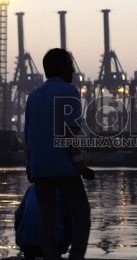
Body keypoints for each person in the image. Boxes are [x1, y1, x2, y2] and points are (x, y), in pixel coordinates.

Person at [24, 48, 94, 260]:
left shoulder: (33, 96)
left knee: (47, 219)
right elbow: (70, 133)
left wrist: (29, 166)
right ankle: (76, 258)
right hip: (63, 166)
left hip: (39, 167)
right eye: (70, 64)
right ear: (62, 67)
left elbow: (27, 135)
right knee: (81, 214)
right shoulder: (69, 92)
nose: (73, 70)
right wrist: (80, 166)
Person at [15, 184, 71, 260]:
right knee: (74, 219)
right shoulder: (63, 190)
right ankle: (57, 253)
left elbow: (18, 215)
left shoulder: (31, 188)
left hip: (26, 245)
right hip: (53, 245)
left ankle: (29, 254)